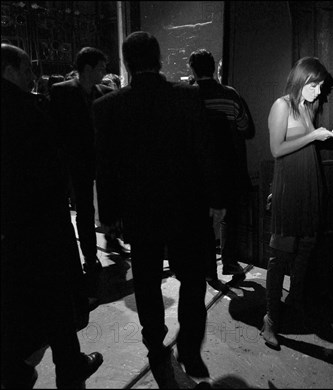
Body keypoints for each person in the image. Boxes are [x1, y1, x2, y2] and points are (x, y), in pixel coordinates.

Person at [93, 31, 229, 381]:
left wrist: (107, 215)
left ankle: (156, 345)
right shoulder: (187, 97)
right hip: (187, 206)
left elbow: (104, 167)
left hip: (140, 210)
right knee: (193, 279)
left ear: (126, 62)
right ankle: (190, 350)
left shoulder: (107, 106)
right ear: (158, 60)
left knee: (148, 281)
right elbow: (205, 154)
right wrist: (216, 200)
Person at [1, 43, 103, 389]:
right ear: (9, 71)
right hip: (39, 226)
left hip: (10, 230)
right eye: (26, 68)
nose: (33, 75)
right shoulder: (30, 110)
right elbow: (51, 171)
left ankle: (17, 366)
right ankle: (69, 367)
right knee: (57, 300)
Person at [261, 57, 333, 349]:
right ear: (301, 79)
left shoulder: (307, 107)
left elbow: (301, 148)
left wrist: (318, 135)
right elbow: (277, 149)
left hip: (309, 186)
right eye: (314, 85)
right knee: (279, 255)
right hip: (289, 189)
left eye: (320, 87)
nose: (319, 92)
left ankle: (294, 302)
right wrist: (313, 136)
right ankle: (270, 319)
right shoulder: (282, 105)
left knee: (306, 247)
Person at [50, 47, 126, 300]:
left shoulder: (105, 93)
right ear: (88, 68)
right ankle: (90, 257)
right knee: (84, 210)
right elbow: (56, 131)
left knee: (110, 202)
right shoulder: (61, 92)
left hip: (103, 161)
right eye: (101, 67)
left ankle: (113, 237)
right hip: (76, 162)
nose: (105, 72)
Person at [188, 49, 254, 284]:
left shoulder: (188, 96)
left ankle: (208, 268)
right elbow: (247, 128)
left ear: (192, 69)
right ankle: (229, 261)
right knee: (231, 217)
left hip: (198, 170)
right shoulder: (229, 95)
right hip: (228, 167)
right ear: (215, 68)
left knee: (202, 221)